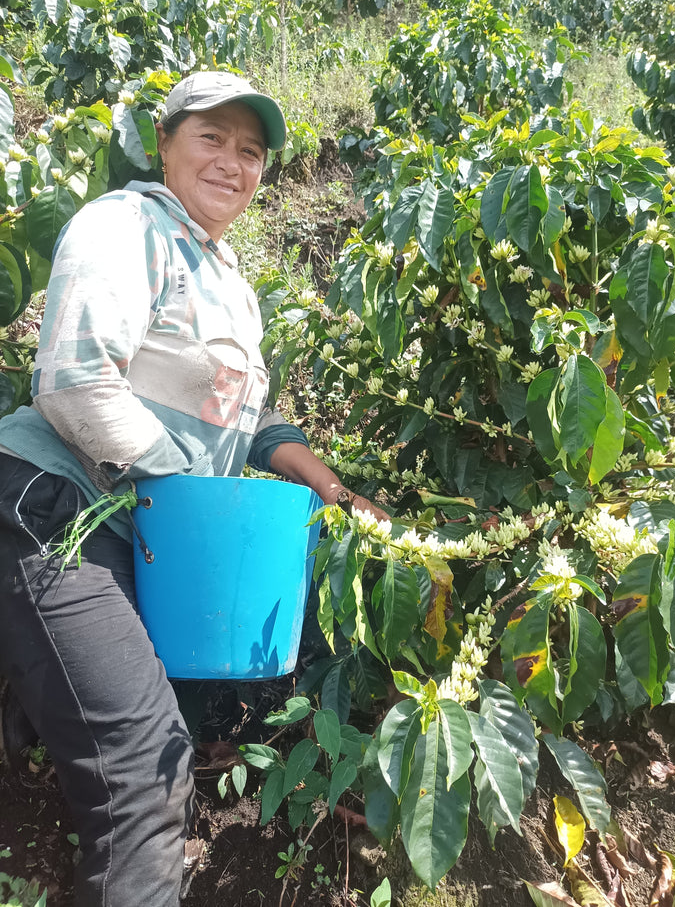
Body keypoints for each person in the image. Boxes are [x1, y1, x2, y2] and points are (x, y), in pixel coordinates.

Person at [0, 71, 388, 907]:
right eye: (211, 138)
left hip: (137, 528)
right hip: (57, 506)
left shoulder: (230, 285)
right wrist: (193, 494)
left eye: (250, 151)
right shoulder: (126, 226)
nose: (232, 162)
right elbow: (72, 383)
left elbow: (248, 421)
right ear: (163, 143)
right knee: (144, 766)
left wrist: (333, 489)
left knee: (154, 731)